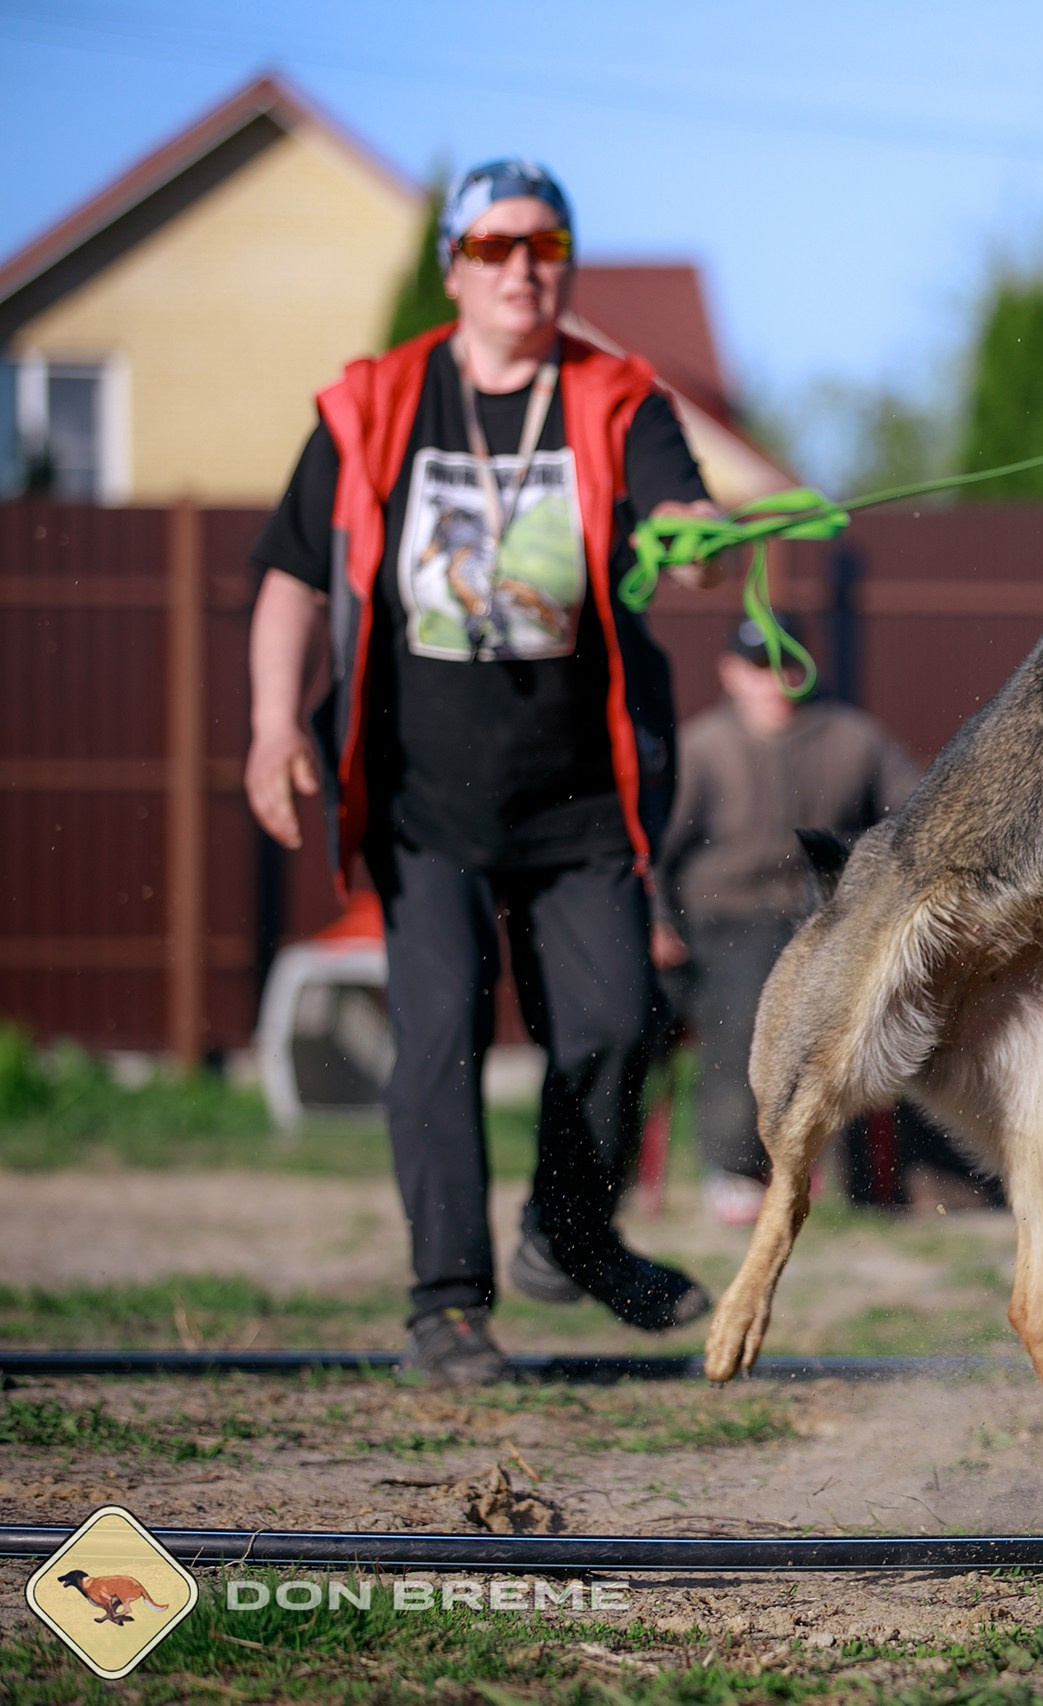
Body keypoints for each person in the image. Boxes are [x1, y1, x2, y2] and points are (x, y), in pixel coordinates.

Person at [244, 161, 727, 1385]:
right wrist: (270, 722)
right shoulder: (377, 404)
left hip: (581, 798)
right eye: (498, 244)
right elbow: (294, 572)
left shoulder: (618, 398)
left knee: (622, 1022)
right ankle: (448, 1304)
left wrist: (696, 547)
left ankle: (566, 1231)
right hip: (423, 803)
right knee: (436, 1040)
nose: (524, 266)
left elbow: (690, 538)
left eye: (546, 242)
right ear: (455, 265)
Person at [650, 619, 919, 1224]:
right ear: (731, 672)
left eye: (787, 664)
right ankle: (738, 1165)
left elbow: (917, 818)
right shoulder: (702, 747)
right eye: (758, 665)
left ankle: (907, 1171)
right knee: (745, 1004)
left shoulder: (855, 739)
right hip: (723, 921)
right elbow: (657, 851)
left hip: (836, 917)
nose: (775, 679)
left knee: (901, 1002)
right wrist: (658, 920)